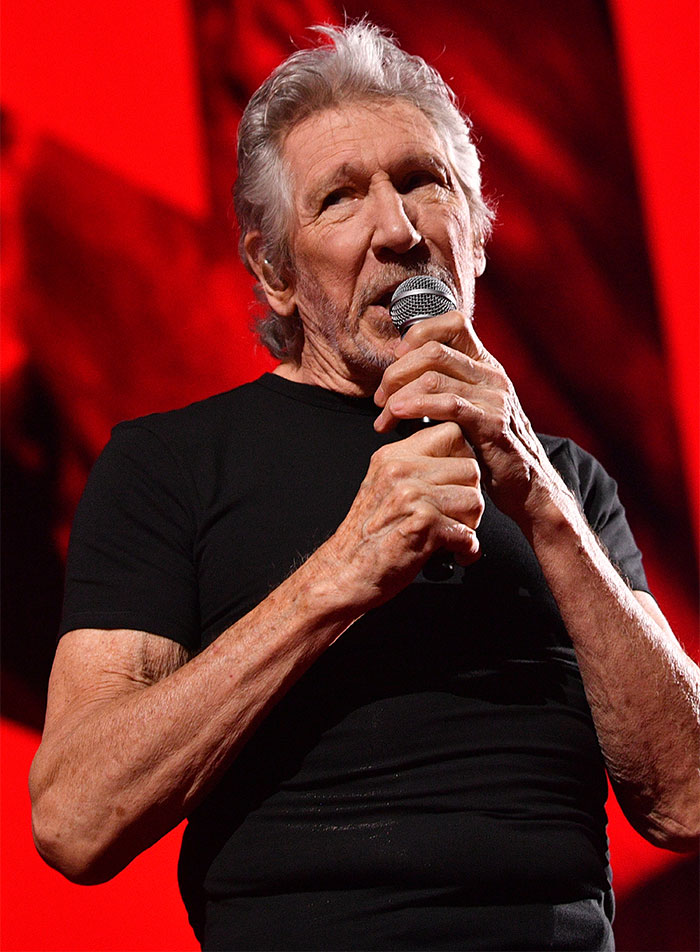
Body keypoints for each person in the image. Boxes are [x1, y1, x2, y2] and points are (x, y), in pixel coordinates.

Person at [30, 21, 699, 952]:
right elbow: (76, 816)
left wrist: (541, 503)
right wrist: (342, 571)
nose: (398, 228)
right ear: (273, 272)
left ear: (474, 227)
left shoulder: (569, 487)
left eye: (425, 182)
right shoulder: (169, 467)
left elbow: (690, 800)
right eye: (341, 199)